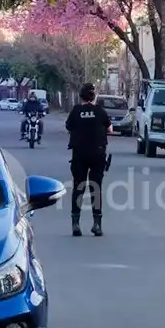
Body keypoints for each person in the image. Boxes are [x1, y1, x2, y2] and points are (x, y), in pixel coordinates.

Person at [65, 83, 111, 237]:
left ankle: (75, 224)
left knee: (79, 187)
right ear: (94, 96)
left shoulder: (76, 111)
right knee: (95, 188)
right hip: (98, 154)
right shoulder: (100, 111)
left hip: (80, 154)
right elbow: (110, 128)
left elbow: (69, 126)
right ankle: (97, 224)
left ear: (81, 96)